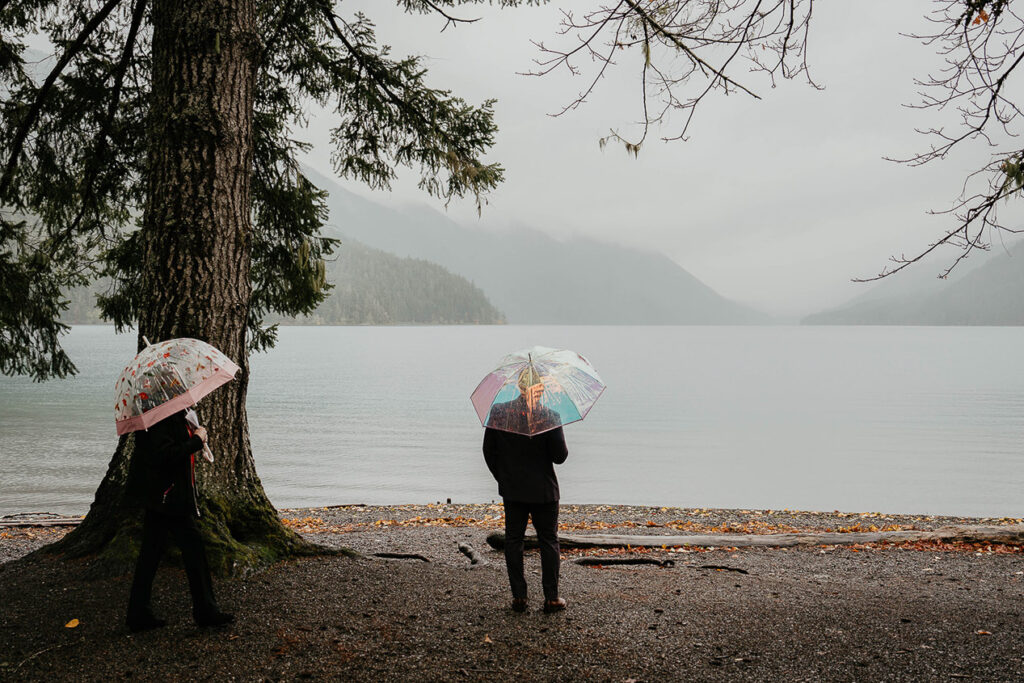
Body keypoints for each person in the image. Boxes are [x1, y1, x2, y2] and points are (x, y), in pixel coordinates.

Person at [124, 405, 234, 632]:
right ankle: (205, 611)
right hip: (167, 497)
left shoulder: (167, 412)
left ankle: (138, 613)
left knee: (151, 552)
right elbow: (165, 455)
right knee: (192, 549)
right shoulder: (158, 417)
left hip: (163, 496)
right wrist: (196, 440)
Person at [483, 366, 569, 614]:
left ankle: (519, 597)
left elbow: (489, 452)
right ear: (539, 388)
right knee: (549, 541)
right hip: (544, 492)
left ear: (519, 387)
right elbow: (560, 457)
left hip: (513, 490)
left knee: (513, 541)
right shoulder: (549, 415)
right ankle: (551, 598)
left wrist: (503, 478)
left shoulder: (500, 412)